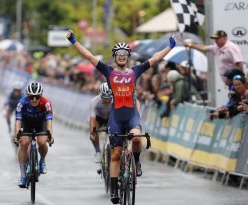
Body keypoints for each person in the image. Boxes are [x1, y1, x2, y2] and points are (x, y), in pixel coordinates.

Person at [67, 30, 175, 204]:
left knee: (138, 140)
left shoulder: (135, 71)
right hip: (116, 117)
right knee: (116, 153)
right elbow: (88, 55)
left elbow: (155, 59)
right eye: (119, 54)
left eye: (125, 53)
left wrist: (169, 47)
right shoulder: (108, 72)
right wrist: (74, 41)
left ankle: (137, 162)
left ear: (129, 56)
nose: (122, 56)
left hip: (132, 115)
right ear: (115, 56)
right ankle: (115, 190)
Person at [15, 82, 54, 188]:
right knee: (24, 143)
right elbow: (18, 120)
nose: (35, 99)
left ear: (40, 96)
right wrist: (17, 134)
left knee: (42, 142)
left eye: (37, 97)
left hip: (40, 123)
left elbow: (49, 120)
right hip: (26, 123)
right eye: (32, 97)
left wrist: (50, 134)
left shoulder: (46, 103)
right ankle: (23, 175)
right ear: (28, 96)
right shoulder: (21, 103)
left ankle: (42, 161)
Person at [90, 82, 112, 163]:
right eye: (104, 98)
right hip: (99, 118)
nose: (106, 100)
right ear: (100, 95)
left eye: (109, 98)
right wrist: (92, 131)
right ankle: (98, 151)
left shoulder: (115, 100)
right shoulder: (94, 101)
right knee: (93, 134)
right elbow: (92, 118)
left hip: (110, 117)